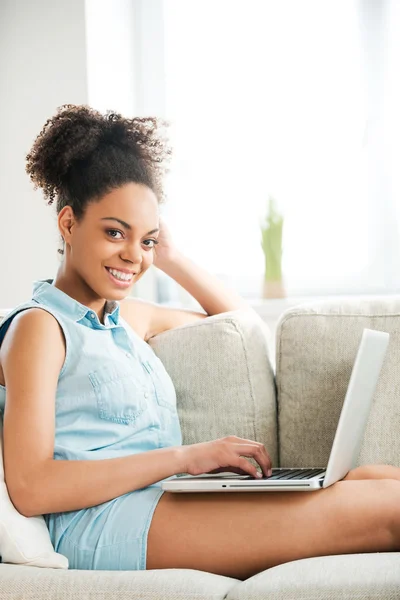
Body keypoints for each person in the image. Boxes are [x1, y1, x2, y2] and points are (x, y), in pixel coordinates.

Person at [0, 104, 399, 580]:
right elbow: (31, 485)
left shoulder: (127, 318)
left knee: (376, 478)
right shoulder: (40, 328)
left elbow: (239, 322)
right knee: (390, 508)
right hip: (105, 523)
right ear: (68, 224)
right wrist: (187, 458)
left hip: (161, 500)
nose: (133, 255)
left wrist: (167, 255)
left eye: (145, 240)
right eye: (114, 233)